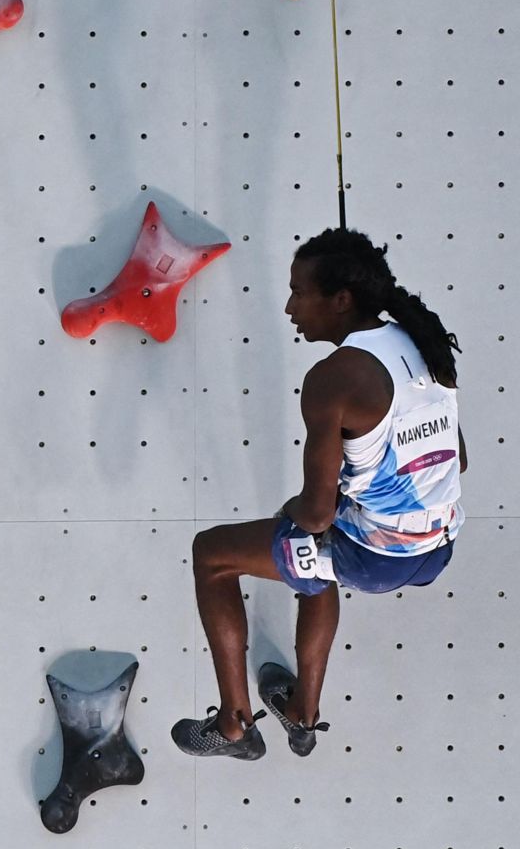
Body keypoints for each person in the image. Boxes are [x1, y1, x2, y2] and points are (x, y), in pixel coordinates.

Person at [173, 228, 464, 759]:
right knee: (314, 554)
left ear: (341, 299)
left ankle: (234, 724)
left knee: (214, 554)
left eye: (299, 292)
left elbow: (312, 514)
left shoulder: (334, 378)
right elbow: (456, 459)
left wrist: (292, 513)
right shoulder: (422, 342)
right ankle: (302, 715)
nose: (289, 307)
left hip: (378, 558)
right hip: (436, 547)